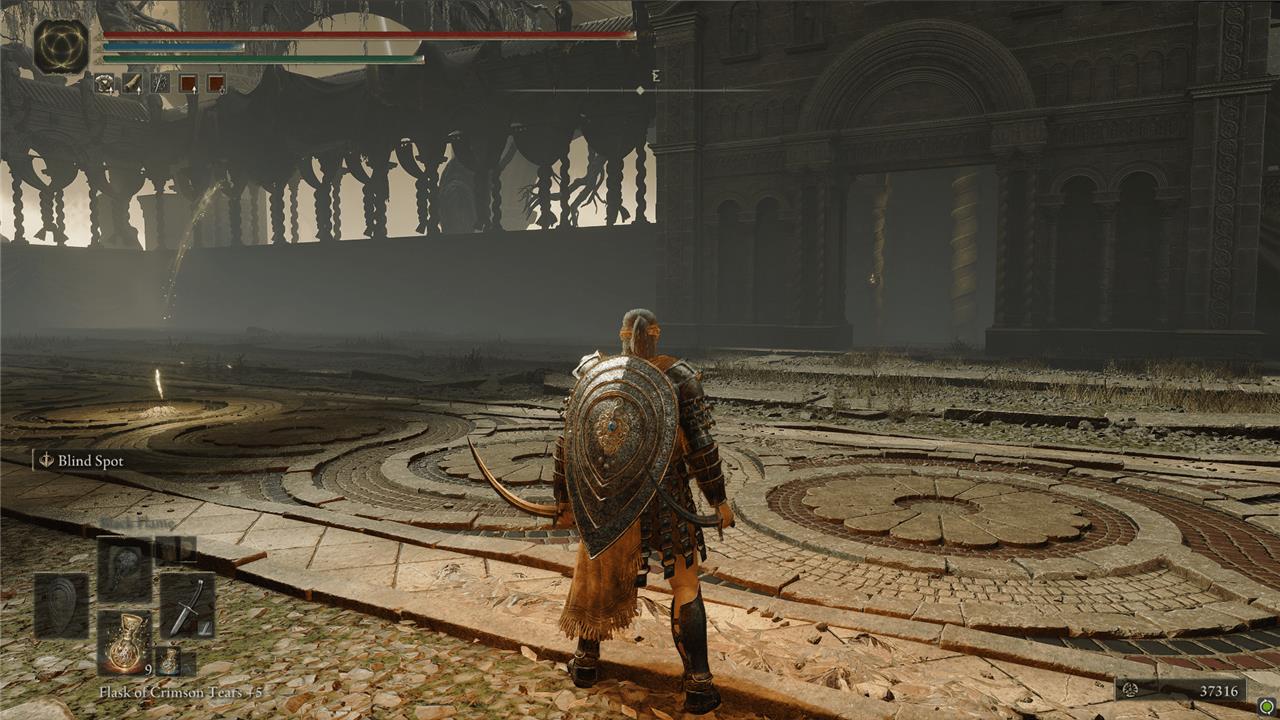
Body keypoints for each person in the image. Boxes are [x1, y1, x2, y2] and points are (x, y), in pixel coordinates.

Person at [552, 308, 734, 715]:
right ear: (656, 334)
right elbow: (701, 446)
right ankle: (699, 686)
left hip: (607, 500)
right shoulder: (678, 377)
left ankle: (585, 664)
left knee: (596, 573)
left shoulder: (592, 372)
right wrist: (719, 500)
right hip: (667, 500)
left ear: (621, 334)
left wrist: (564, 500)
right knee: (685, 584)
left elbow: (568, 442)